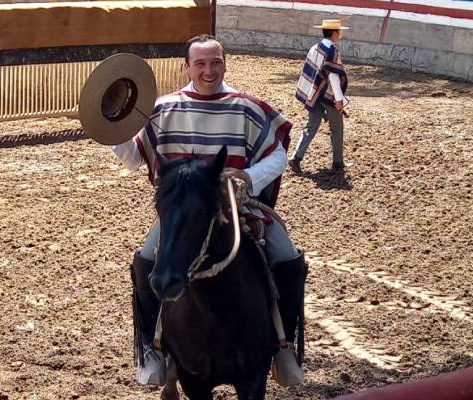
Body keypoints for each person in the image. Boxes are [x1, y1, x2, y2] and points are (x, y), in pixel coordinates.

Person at [112, 34, 306, 386]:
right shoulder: (163, 108)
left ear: (224, 63)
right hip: (183, 217)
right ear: (187, 67)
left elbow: (278, 155)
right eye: (200, 63)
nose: (208, 70)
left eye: (215, 62)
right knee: (145, 262)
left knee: (289, 259)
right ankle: (153, 350)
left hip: (239, 209)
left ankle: (283, 347)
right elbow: (132, 159)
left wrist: (248, 175)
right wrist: (112, 126)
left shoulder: (247, 107)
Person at [290, 19, 350, 173]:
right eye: (339, 32)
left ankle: (296, 158)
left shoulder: (314, 48)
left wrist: (312, 93)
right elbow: (334, 78)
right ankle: (338, 162)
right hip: (328, 97)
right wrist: (339, 100)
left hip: (314, 95)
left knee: (311, 127)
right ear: (335, 33)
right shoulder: (333, 52)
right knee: (337, 129)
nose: (340, 34)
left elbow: (309, 72)